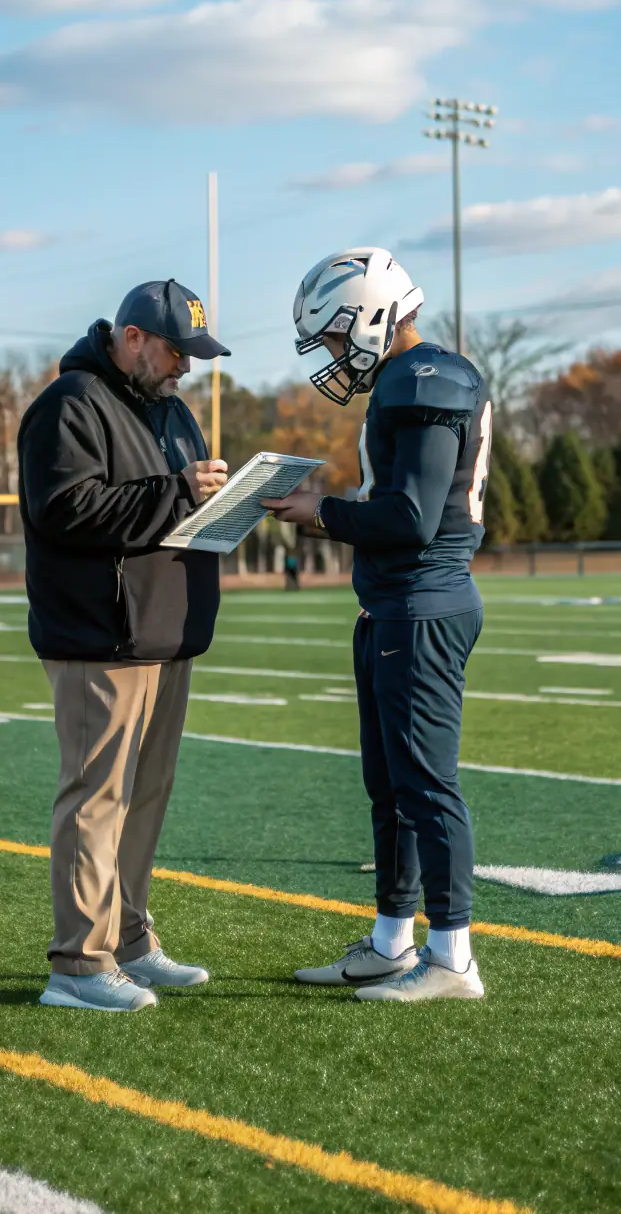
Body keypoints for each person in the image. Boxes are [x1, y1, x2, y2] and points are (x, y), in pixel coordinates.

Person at [263, 247, 491, 1004]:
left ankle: (453, 956)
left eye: (332, 337)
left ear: (366, 315)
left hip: (424, 603)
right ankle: (393, 939)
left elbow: (413, 518)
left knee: (427, 783)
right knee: (388, 784)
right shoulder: (405, 378)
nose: (331, 356)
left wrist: (320, 512)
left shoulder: (428, 378)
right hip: (393, 604)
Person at [18, 279, 230, 1014]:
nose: (186, 368)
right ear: (133, 338)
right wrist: (178, 491)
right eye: (177, 351)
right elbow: (66, 508)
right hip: (100, 636)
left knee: (143, 797)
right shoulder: (70, 403)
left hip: (163, 634)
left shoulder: (169, 409)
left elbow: (172, 507)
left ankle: (130, 941)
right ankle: (78, 962)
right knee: (96, 797)